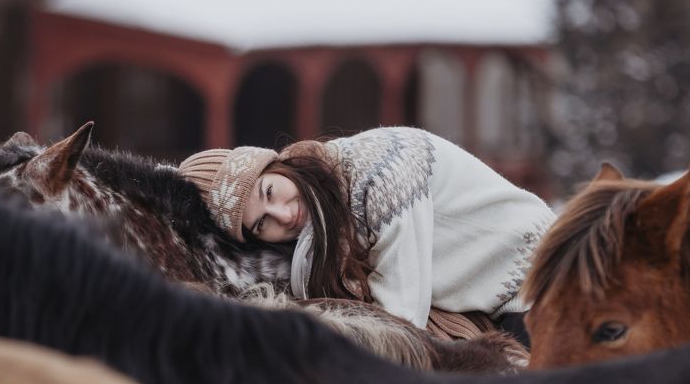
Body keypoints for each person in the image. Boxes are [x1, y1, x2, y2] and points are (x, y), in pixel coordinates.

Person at [177, 127, 556, 344]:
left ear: (276, 165)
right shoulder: (321, 235)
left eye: (270, 192)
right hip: (475, 300)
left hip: (537, 278)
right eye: (262, 224)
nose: (285, 215)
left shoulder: (381, 172)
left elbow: (400, 323)